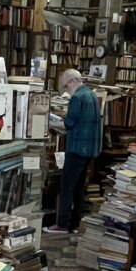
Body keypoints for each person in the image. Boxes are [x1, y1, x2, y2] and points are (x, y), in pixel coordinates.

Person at [47, 68, 100, 234]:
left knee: (66, 186)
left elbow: (69, 124)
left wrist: (49, 123)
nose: (66, 91)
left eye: (65, 87)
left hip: (76, 148)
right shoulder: (91, 95)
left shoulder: (77, 97)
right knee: (79, 187)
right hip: (89, 149)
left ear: (73, 81)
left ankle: (62, 224)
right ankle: (75, 224)